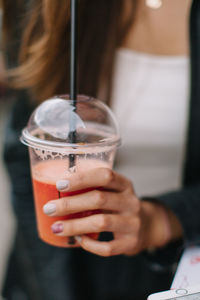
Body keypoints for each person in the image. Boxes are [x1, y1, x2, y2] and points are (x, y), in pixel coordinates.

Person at [1, 0, 200, 299]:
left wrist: (165, 217)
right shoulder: (48, 6)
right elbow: (23, 147)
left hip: (179, 260)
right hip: (57, 265)